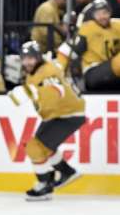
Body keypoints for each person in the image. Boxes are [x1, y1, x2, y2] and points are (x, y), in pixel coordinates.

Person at [9, 42, 86, 200]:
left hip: (66, 115)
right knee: (42, 147)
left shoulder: (48, 71)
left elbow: (57, 90)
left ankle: (45, 185)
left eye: (31, 58)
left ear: (38, 57)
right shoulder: (36, 71)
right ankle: (66, 172)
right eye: (24, 58)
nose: (27, 62)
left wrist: (32, 92)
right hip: (58, 114)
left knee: (34, 147)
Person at [58, 0, 120, 93]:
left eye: (105, 13)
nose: (102, 16)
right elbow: (64, 51)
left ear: (110, 12)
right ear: (93, 15)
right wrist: (60, 76)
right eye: (98, 14)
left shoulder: (117, 25)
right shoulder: (87, 29)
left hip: (113, 73)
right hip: (93, 73)